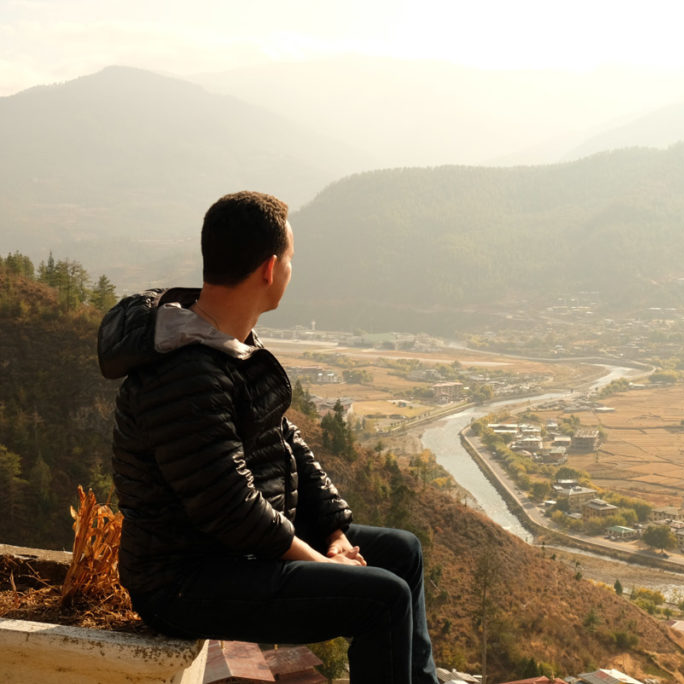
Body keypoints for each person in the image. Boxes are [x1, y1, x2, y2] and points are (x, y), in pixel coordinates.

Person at [97, 191, 437, 684]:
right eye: (291, 261)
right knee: (381, 599)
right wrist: (322, 562)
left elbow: (287, 443)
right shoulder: (186, 372)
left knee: (402, 552)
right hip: (185, 579)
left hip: (236, 553)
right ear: (269, 268)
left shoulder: (226, 340)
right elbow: (229, 508)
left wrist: (337, 536)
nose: (292, 271)